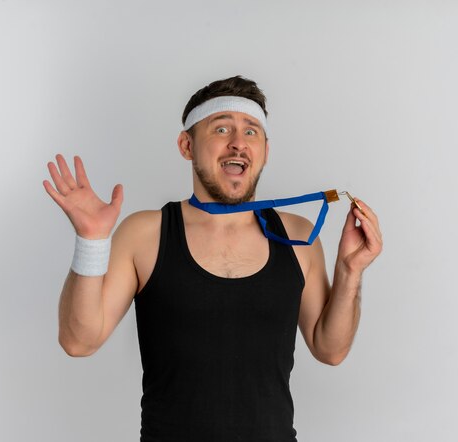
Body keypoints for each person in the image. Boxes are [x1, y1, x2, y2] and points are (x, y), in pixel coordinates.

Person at [43, 75, 383, 441]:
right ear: (186, 145)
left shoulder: (299, 236)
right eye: (221, 129)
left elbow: (330, 349)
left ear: (265, 150)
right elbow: (79, 341)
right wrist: (91, 241)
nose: (238, 143)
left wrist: (350, 269)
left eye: (251, 132)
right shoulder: (145, 234)